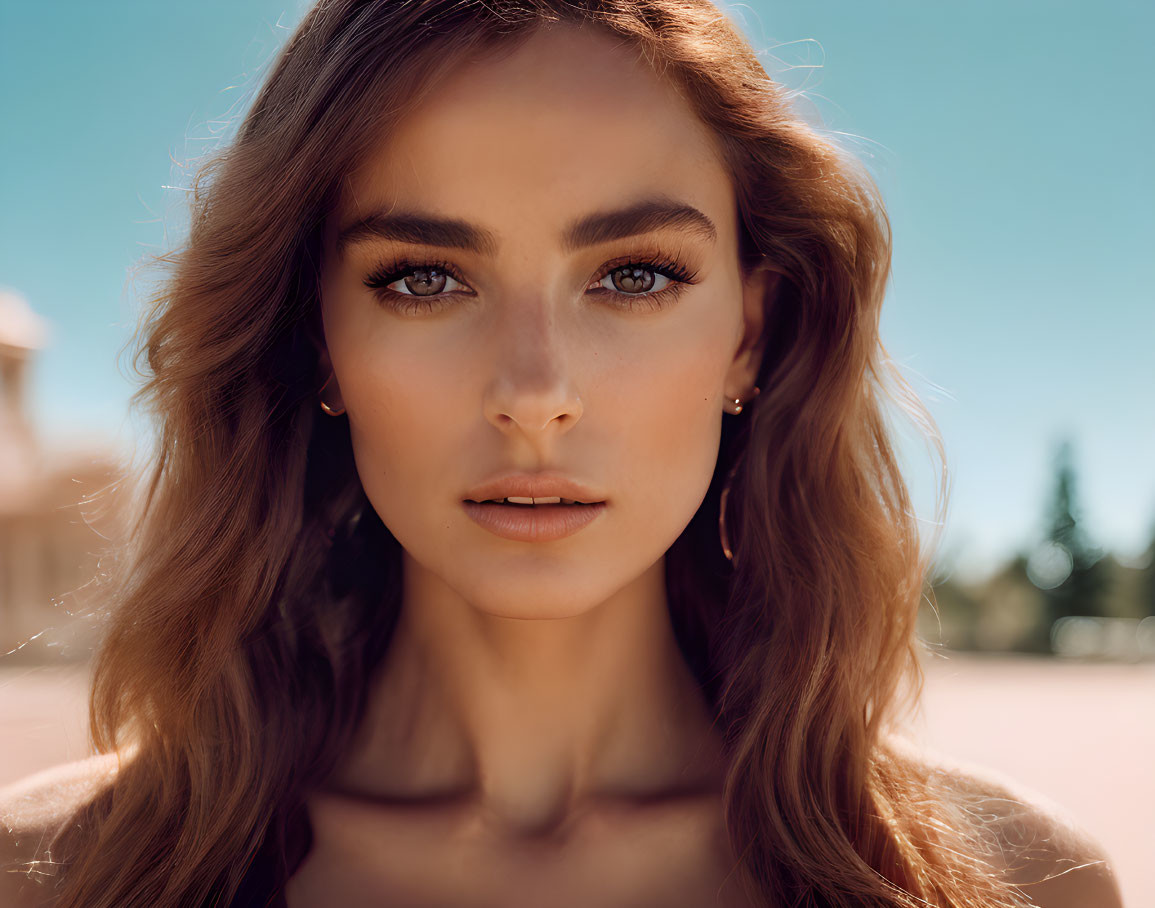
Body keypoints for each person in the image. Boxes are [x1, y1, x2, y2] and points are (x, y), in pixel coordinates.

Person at [0, 1, 1125, 906]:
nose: (534, 394)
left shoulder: (1022, 883)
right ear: (318, 341)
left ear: (751, 333)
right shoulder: (57, 876)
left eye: (634, 275)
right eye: (424, 278)